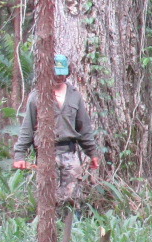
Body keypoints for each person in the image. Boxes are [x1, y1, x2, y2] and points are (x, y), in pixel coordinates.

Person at [13, 53, 101, 203]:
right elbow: (27, 127)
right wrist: (19, 155)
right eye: (55, 73)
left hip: (70, 152)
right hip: (46, 153)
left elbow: (84, 127)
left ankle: (72, 225)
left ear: (67, 73)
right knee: (48, 198)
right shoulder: (37, 96)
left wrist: (92, 153)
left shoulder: (75, 96)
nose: (58, 77)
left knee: (72, 197)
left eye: (62, 74)